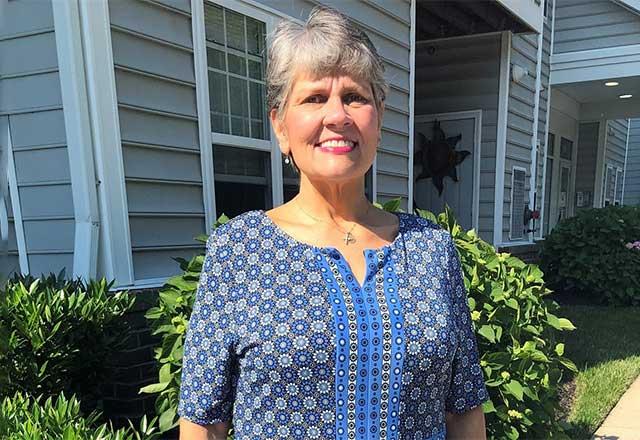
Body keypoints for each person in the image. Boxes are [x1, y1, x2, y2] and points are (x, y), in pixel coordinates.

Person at [178, 6, 488, 440]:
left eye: (355, 97)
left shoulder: (431, 249)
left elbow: (464, 409)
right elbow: (204, 420)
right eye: (314, 97)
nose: (337, 115)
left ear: (378, 121)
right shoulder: (238, 249)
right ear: (280, 125)